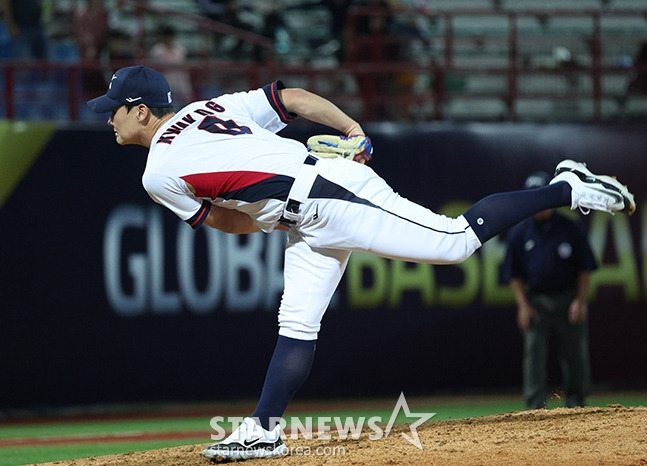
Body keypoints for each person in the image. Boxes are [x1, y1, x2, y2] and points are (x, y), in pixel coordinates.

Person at [86, 65, 635, 461]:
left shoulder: (156, 173)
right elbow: (293, 97)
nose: (107, 118)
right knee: (296, 321)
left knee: (453, 242)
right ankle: (263, 430)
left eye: (113, 108)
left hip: (325, 196)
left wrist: (275, 214)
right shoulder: (210, 109)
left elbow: (227, 222)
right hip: (312, 204)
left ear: (140, 110)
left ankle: (566, 188)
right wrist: (353, 131)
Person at [502, 172, 596, 410]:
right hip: (536, 301)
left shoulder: (570, 227)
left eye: (542, 196)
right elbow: (514, 275)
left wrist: (580, 301)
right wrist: (523, 306)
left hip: (568, 298)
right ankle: (535, 406)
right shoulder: (520, 232)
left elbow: (585, 268)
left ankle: (577, 401)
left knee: (574, 352)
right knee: (534, 354)